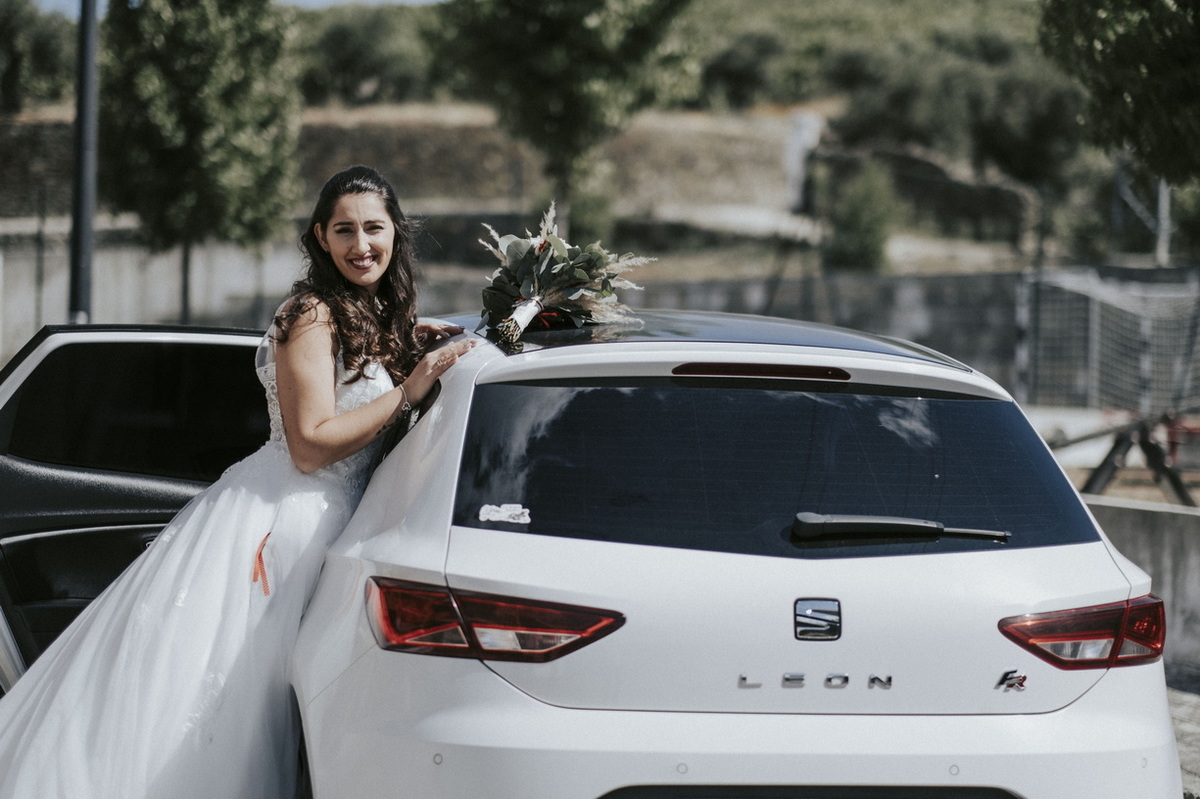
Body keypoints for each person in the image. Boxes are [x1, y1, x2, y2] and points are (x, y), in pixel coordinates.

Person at [0, 165, 475, 797]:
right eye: (344, 230)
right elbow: (310, 444)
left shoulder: (366, 313)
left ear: (396, 231)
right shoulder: (310, 314)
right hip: (283, 521)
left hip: (327, 520)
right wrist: (409, 389)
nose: (361, 245)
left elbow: (350, 383)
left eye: (373, 228)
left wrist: (404, 343)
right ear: (321, 236)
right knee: (227, 698)